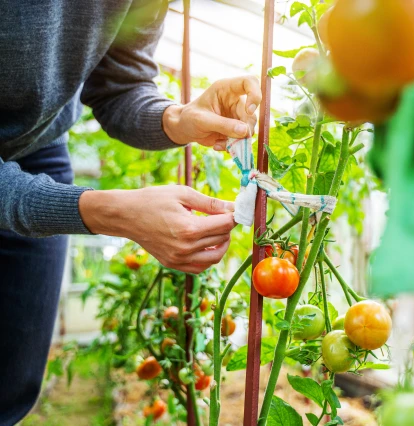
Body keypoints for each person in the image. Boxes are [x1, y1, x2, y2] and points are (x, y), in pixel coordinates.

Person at [0, 1, 261, 423]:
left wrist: (177, 119)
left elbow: (119, 84)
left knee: (12, 382)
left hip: (37, 147)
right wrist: (109, 213)